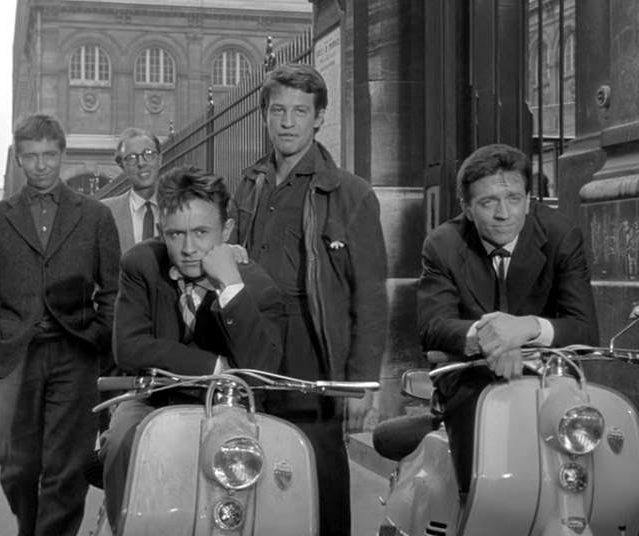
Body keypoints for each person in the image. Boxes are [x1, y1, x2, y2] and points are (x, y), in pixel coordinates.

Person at [229, 63, 388, 536]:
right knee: (252, 466)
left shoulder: (350, 193)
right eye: (278, 110)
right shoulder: (250, 182)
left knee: (319, 470)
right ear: (264, 116)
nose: (288, 122)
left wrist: (360, 383)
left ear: (319, 118)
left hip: (311, 345)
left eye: (301, 111)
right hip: (252, 340)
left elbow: (371, 295)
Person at [101, 165, 283, 532]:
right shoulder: (141, 263)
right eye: (175, 234)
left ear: (227, 231)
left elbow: (262, 368)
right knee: (122, 437)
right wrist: (217, 365)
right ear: (161, 231)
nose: (187, 248)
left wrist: (230, 285)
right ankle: (125, 527)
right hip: (153, 397)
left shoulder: (257, 288)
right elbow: (129, 348)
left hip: (227, 408)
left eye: (202, 232)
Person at [0, 113, 121, 536]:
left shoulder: (95, 217)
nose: (41, 165)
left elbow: (112, 290)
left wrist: (101, 341)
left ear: (62, 154)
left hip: (76, 351)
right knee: (17, 467)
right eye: (31, 156)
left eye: (49, 155)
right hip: (16, 354)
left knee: (66, 468)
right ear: (19, 158)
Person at [416, 143, 599, 494]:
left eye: (514, 198)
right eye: (488, 202)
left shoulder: (561, 237)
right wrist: (491, 337)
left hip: (550, 380)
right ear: (467, 209)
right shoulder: (443, 244)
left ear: (529, 200)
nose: (504, 213)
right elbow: (433, 326)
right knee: (484, 486)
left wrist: (526, 328)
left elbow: (585, 328)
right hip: (472, 380)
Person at [102, 127, 163, 254]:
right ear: (122, 166)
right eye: (131, 158)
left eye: (148, 154)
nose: (141, 163)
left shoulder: (180, 205)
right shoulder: (105, 212)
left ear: (160, 159)